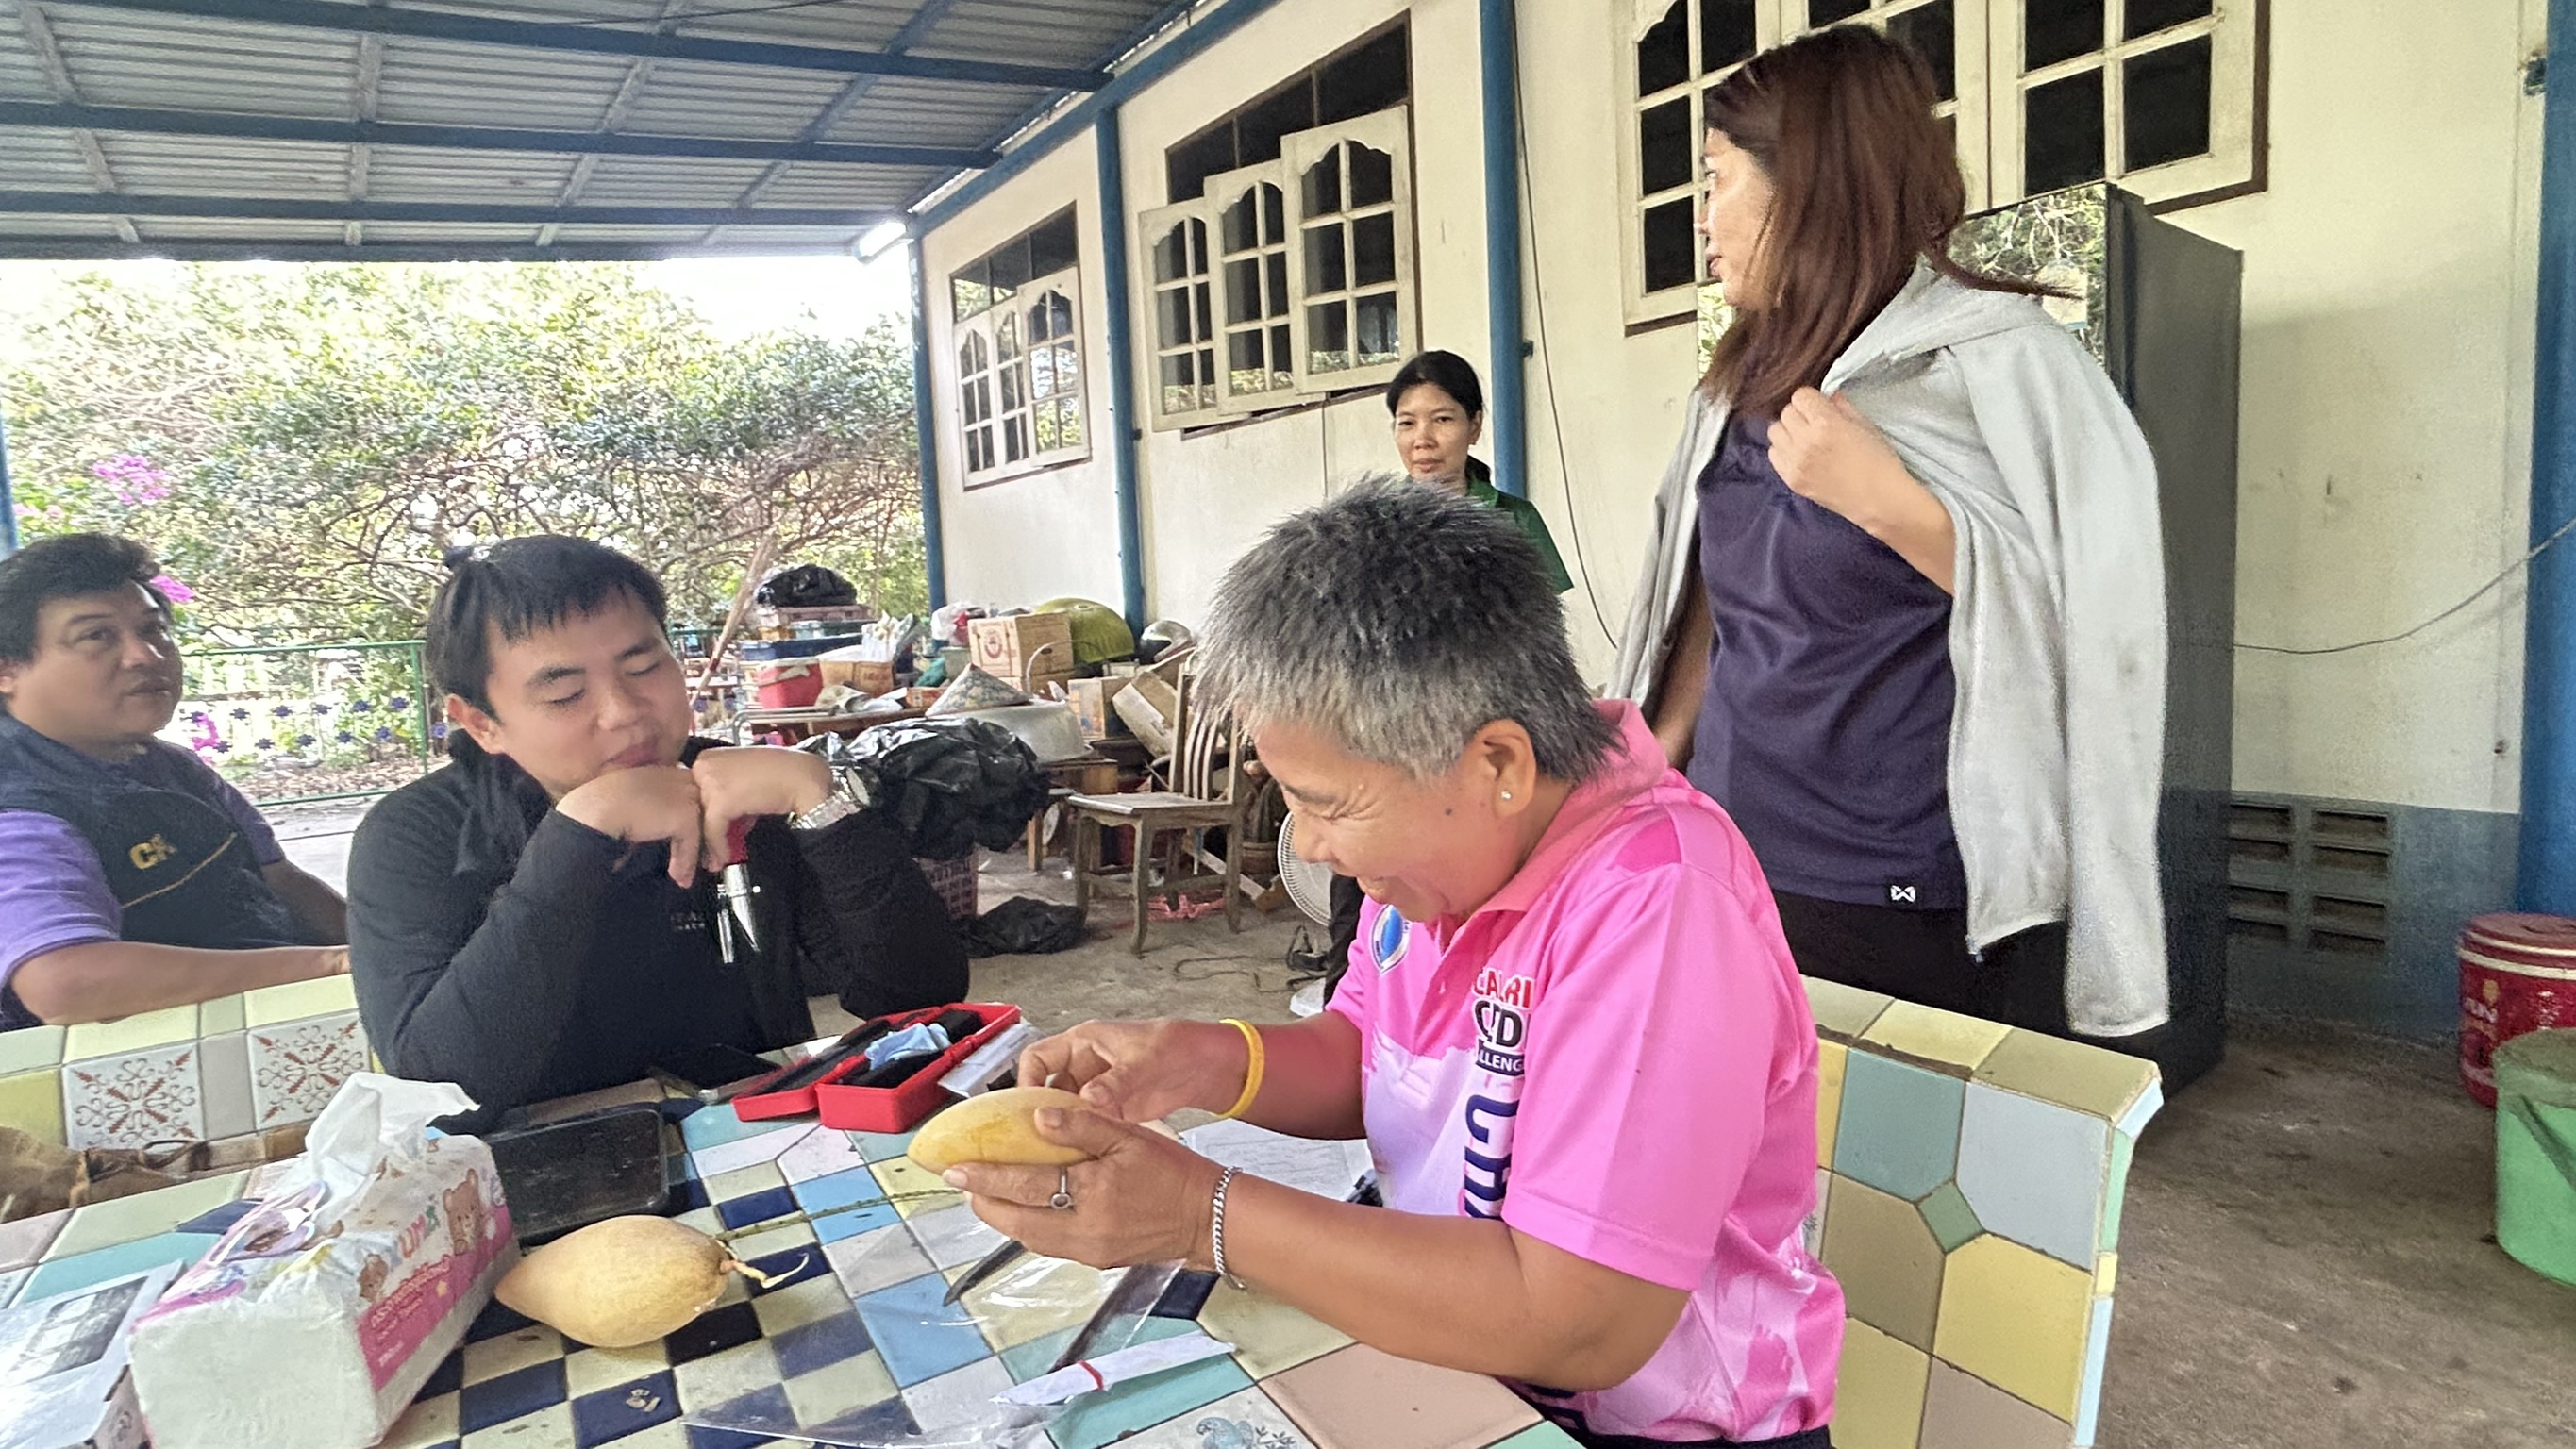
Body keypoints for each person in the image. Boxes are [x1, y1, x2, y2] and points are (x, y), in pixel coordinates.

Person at [946, 482, 1841, 1449]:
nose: (1312, 843)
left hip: (1641, 1424)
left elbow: (1584, 1320)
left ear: (1496, 763)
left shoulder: (1654, 904)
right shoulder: (1440, 860)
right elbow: (1378, 1056)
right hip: (1457, 1362)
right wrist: (1198, 1060)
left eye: (1328, 803)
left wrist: (1200, 1214)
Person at [1611, 26, 2170, 1041]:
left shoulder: (2001, 371)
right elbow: (1708, 609)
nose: (1702, 219)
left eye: (1717, 181)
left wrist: (1896, 508)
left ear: (1811, 188)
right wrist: (1644, 766)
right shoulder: (1738, 383)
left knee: (1879, 1185)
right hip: (1727, 848)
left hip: (1893, 889)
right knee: (1730, 1170)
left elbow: (2096, 623)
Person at [345, 538, 967, 1112]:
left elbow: (919, 1000)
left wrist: (825, 804)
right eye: (564, 695)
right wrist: (577, 836)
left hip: (752, 1138)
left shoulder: (732, 791)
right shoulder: (415, 836)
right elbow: (442, 1084)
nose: (623, 713)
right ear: (482, 723)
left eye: (643, 667)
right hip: (545, 1185)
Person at [0, 534, 348, 1030]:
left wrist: (386, 955)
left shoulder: (172, 767)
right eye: (97, 637)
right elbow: (64, 983)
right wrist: (327, 966)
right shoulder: (22, 809)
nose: (144, 655)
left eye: (154, 629)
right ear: (7, 671)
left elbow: (283, 882)